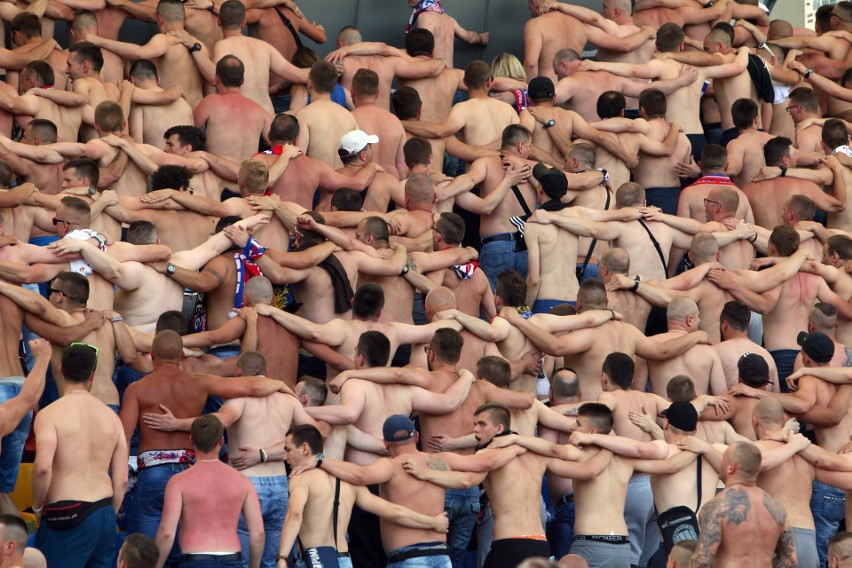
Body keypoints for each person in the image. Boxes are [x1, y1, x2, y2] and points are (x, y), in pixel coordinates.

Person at [33, 343, 129, 568]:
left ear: (61, 369)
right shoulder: (112, 418)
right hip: (104, 509)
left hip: (66, 515)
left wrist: (37, 509)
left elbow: (43, 467)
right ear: (93, 375)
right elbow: (122, 479)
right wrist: (109, 514)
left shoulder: (50, 414)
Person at [155, 414, 264, 568]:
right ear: (221, 441)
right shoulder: (243, 482)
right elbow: (258, 534)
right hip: (232, 559)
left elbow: (166, 534)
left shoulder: (178, 482)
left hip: (194, 560)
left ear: (191, 440)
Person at [690, 442, 797, 567]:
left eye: (723, 458)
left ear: (731, 467)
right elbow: (790, 559)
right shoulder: (776, 508)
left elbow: (702, 560)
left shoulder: (717, 506)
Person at [192, 55, 271, 163]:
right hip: (248, 176)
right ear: (242, 80)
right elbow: (282, 145)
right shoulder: (259, 110)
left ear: (216, 79)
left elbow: (186, 132)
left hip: (217, 175)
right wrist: (263, 156)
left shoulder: (210, 102)